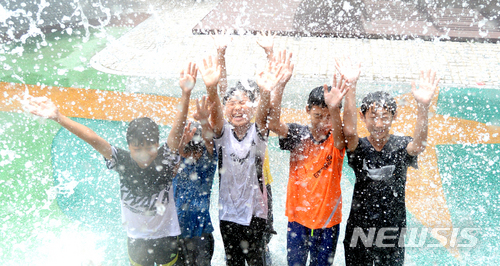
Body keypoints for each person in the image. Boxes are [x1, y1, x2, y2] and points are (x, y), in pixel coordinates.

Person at [26, 62, 199, 266]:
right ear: (129, 146)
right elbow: (93, 138)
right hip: (137, 238)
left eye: (149, 147)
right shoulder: (122, 160)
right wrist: (59, 117)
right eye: (137, 149)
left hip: (166, 236)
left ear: (157, 143)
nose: (144, 154)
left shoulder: (166, 157)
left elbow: (177, 130)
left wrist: (185, 94)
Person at [340, 57, 440, 265]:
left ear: (394, 117)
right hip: (360, 228)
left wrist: (423, 107)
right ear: (363, 117)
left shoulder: (401, 146)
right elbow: (349, 131)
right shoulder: (359, 148)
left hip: (392, 229)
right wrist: (351, 87)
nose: (379, 123)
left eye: (385, 117)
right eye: (373, 117)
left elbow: (419, 145)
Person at [199, 53, 284, 265]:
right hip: (228, 215)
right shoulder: (222, 134)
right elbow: (216, 116)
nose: (237, 107)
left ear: (252, 107)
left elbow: (264, 116)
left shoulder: (258, 133)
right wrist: (211, 88)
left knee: (257, 261)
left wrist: (265, 92)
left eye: (243, 102)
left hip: (256, 214)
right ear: (226, 109)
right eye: (232, 103)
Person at [267, 50, 349, 266]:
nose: (323, 122)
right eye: (317, 116)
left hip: (328, 220)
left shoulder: (336, 139)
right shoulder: (298, 135)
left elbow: (343, 136)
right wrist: (281, 85)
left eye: (328, 116)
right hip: (298, 219)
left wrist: (336, 109)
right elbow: (274, 124)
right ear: (307, 110)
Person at [174, 97, 217, 266]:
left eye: (197, 149)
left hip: (202, 234)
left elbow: (211, 143)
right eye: (188, 149)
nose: (193, 155)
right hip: (176, 234)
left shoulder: (207, 163)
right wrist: (179, 148)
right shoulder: (174, 161)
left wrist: (205, 121)